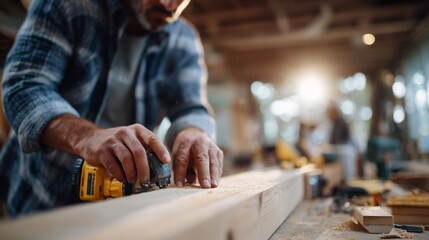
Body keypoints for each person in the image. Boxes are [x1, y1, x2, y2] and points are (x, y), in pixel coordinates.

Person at [0, 0, 223, 217]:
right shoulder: (67, 5)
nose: (167, 4)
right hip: (43, 201)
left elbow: (191, 108)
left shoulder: (183, 39)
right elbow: (24, 86)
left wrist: (194, 131)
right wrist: (86, 137)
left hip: (124, 209)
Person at [326, 101, 357, 180]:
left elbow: (335, 139)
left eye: (329, 113)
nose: (328, 116)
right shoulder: (336, 123)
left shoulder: (340, 122)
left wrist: (328, 146)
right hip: (342, 151)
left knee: (348, 175)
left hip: (344, 151)